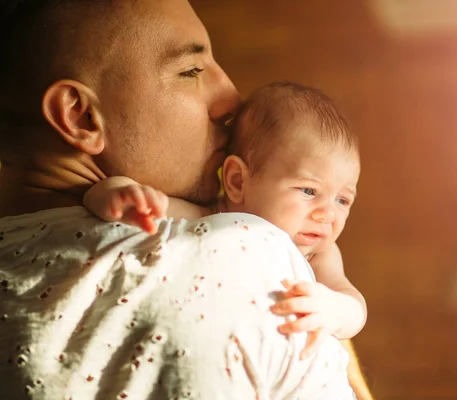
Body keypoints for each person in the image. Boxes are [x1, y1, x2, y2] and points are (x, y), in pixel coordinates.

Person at [0, 0, 372, 398]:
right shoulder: (244, 249)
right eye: (190, 71)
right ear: (81, 116)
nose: (232, 97)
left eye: (343, 200)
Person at [83, 81, 367, 356]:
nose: (328, 214)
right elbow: (140, 208)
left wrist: (334, 310)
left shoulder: (319, 255)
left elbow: (355, 306)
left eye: (343, 200)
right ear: (237, 181)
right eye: (309, 190)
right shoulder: (211, 218)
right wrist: (118, 194)